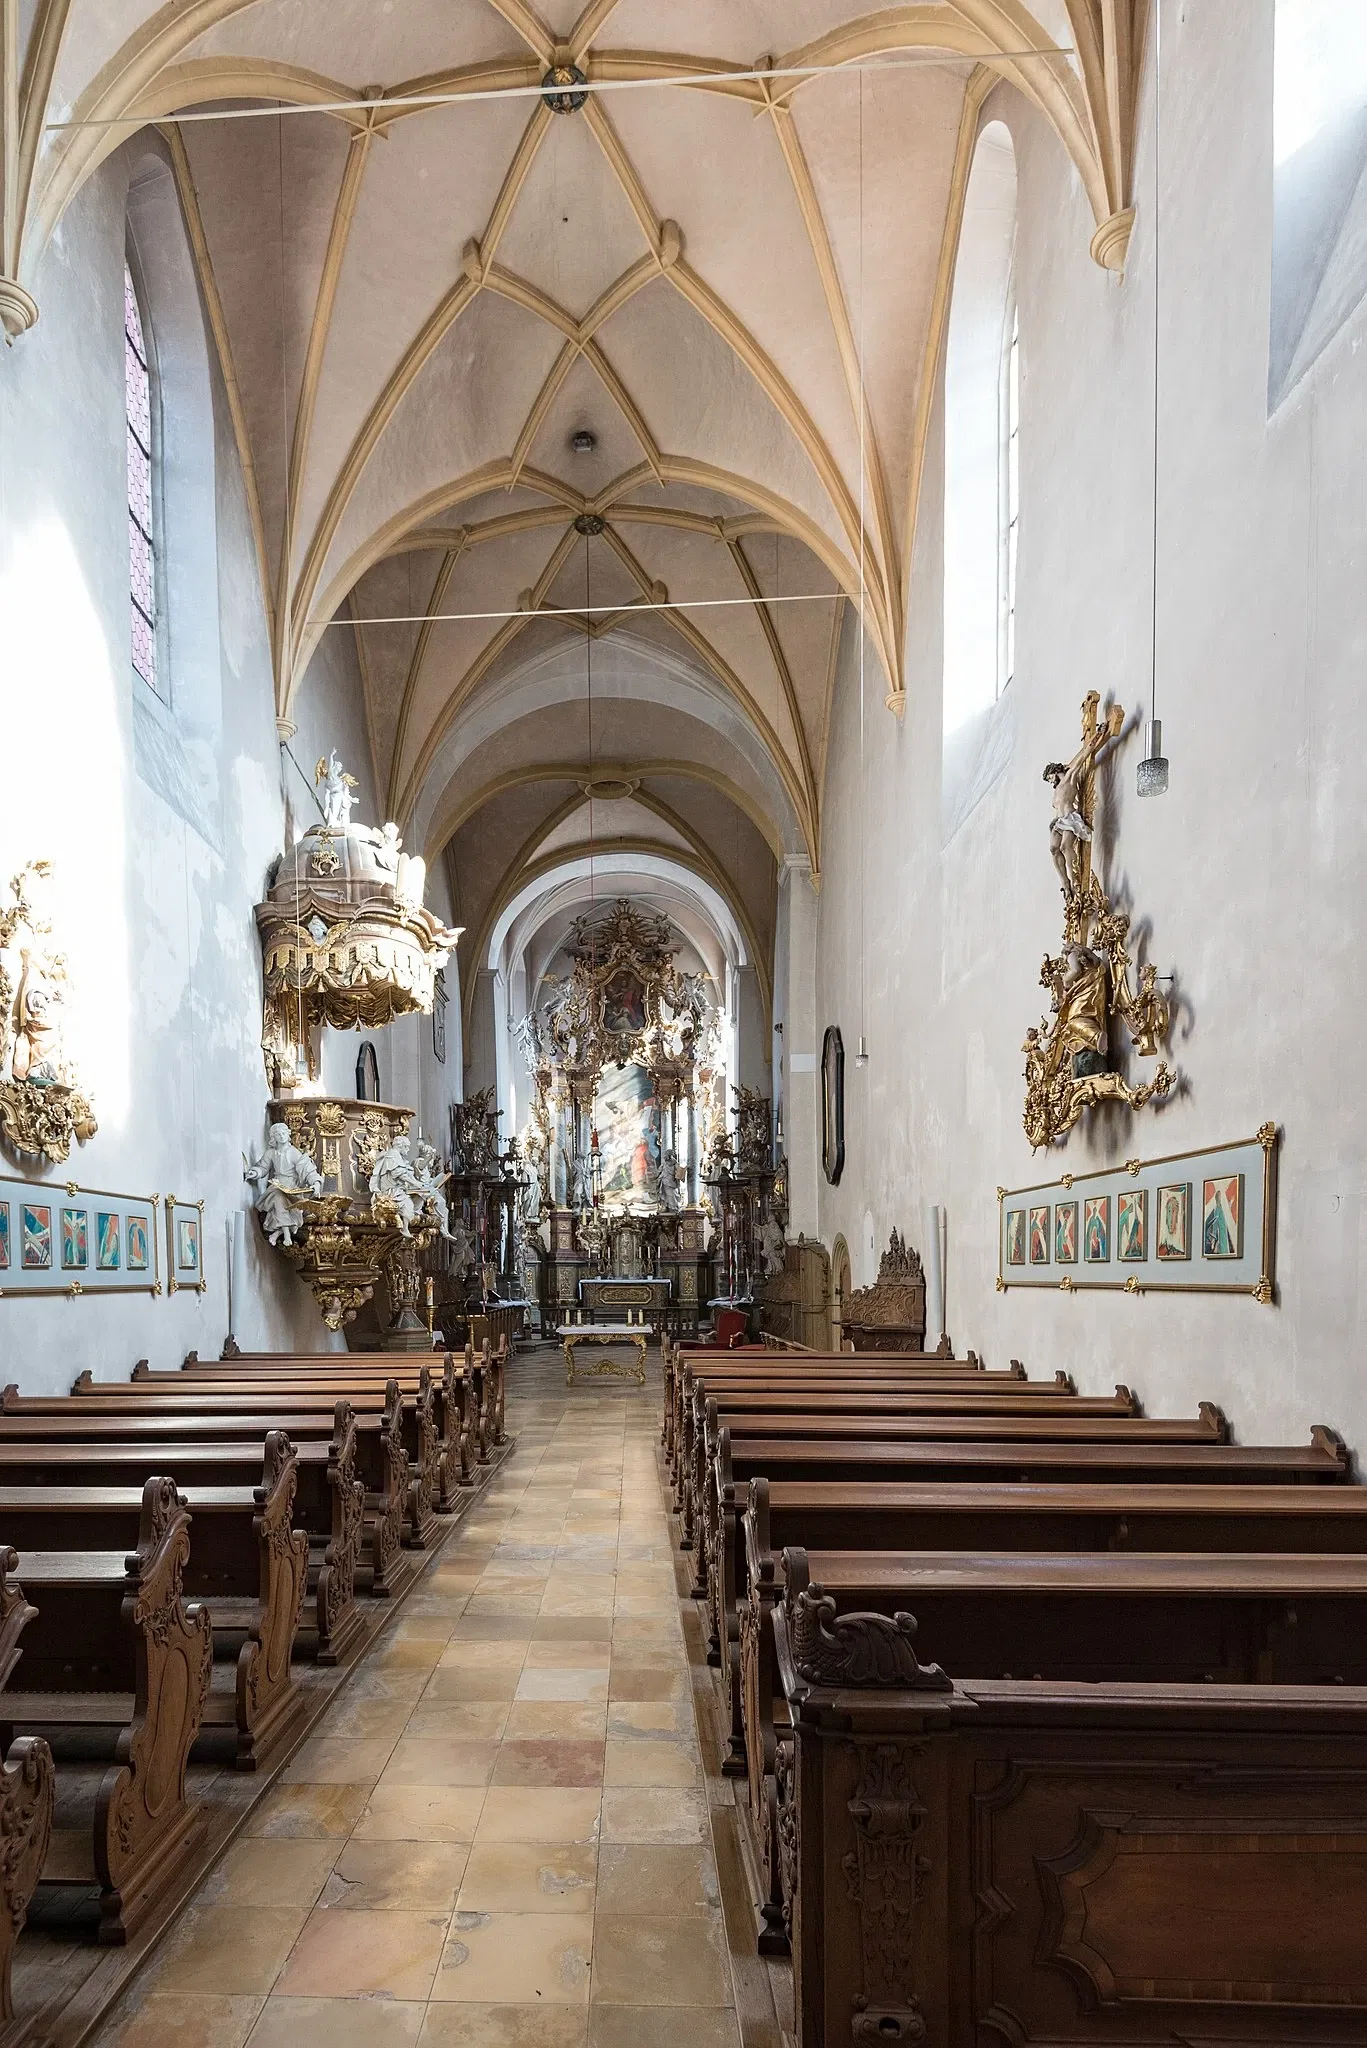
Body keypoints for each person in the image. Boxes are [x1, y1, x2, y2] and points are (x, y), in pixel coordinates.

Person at [1043, 704, 1124, 897]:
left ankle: (1075, 880)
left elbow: (1086, 753)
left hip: (1070, 818)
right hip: (1058, 822)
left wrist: (1098, 735)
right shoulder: (1055, 792)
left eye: (1050, 778)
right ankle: (1065, 883)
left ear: (1055, 772)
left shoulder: (1070, 777)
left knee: (1065, 846)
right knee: (1054, 849)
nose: (1050, 782)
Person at [245, 1122, 323, 1246]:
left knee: (290, 1209)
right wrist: (255, 1172)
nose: (281, 1136)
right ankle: (287, 1236)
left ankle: (277, 1234)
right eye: (278, 1134)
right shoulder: (271, 1153)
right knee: (278, 1197)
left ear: (288, 1134)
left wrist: (316, 1183)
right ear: (274, 1138)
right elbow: (263, 1167)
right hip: (277, 1185)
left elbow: (307, 1169)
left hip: (292, 1188)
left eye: (283, 1133)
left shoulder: (294, 1153)